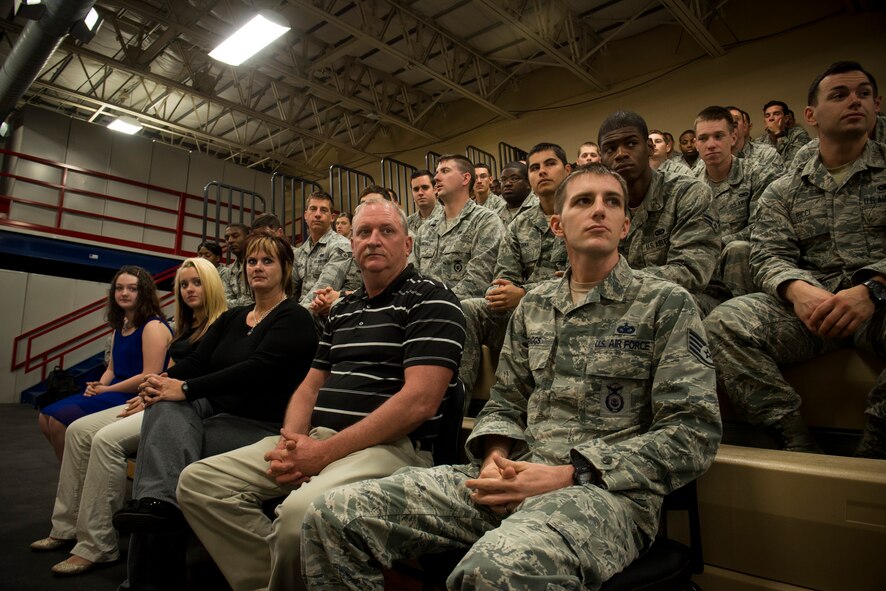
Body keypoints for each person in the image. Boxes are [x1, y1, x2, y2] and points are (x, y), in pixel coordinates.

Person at [301, 164, 722, 591]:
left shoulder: (665, 304)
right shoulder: (534, 306)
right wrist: (494, 457)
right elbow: (505, 402)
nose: (599, 211)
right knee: (332, 515)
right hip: (512, 476)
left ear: (626, 224)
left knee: (493, 572)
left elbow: (692, 434)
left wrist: (567, 474)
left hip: (603, 496)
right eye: (583, 201)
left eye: (611, 202)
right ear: (557, 225)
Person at [175, 198, 466, 591]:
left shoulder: (432, 298)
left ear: (408, 244)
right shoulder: (343, 309)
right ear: (353, 245)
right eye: (363, 232)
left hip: (391, 447)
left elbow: (419, 401)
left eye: (387, 231)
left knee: (299, 517)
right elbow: (311, 384)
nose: (373, 240)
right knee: (198, 483)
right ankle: (276, 581)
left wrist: (324, 454)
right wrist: (291, 440)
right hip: (317, 439)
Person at [112, 234, 318, 590]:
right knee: (163, 411)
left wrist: (187, 388)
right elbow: (197, 360)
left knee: (167, 454)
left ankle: (146, 579)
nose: (257, 267)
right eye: (252, 261)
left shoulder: (295, 317)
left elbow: (258, 367)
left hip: (261, 426)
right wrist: (160, 382)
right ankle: (157, 507)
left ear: (286, 268)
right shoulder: (235, 317)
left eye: (267, 261)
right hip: (216, 417)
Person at [704, 60, 886, 456]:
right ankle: (792, 437)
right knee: (723, 324)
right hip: (813, 306)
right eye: (839, 95)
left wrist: (874, 289)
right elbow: (769, 252)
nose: (854, 101)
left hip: (879, 304)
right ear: (811, 115)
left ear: (877, 105)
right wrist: (796, 289)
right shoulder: (784, 189)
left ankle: (876, 447)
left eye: (864, 94)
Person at [29, 258, 227, 576]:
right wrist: (148, 393)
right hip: (162, 398)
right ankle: (65, 527)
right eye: (184, 284)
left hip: (190, 407)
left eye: (197, 282)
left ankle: (97, 545)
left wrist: (154, 394)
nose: (190, 289)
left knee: (104, 440)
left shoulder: (224, 323)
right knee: (78, 431)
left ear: (212, 284)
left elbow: (203, 379)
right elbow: (169, 373)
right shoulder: (184, 326)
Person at [459, 148, 569, 397]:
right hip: (520, 312)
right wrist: (504, 291)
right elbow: (504, 274)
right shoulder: (519, 224)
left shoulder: (581, 215)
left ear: (567, 170)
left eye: (550, 164)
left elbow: (575, 279)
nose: (542, 171)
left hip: (565, 309)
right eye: (534, 168)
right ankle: (457, 405)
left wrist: (524, 293)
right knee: (468, 309)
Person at [38, 266, 172, 461]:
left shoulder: (154, 326)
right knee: (44, 418)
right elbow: (111, 368)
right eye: (119, 288)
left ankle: (77, 480)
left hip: (134, 396)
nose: (124, 293)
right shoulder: (121, 328)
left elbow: (149, 374)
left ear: (144, 293)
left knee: (59, 421)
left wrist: (107, 390)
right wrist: (98, 386)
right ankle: (73, 475)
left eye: (132, 288)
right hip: (113, 391)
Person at [599, 111, 723, 314]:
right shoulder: (601, 208)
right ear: (602, 158)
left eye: (630, 144)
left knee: (661, 307)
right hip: (621, 299)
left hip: (693, 299)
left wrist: (612, 281)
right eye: (610, 149)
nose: (620, 154)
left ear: (649, 147)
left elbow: (691, 271)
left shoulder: (687, 192)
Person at [694, 106, 780, 296]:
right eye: (703, 138)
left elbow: (762, 228)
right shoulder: (690, 186)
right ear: (696, 144)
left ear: (733, 138)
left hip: (747, 264)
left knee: (738, 249)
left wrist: (720, 244)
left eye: (718, 136)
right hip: (704, 266)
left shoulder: (757, 174)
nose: (711, 144)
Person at [411, 154, 506, 299]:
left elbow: (478, 282)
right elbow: (414, 278)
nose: (436, 178)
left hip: (461, 310)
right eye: (437, 172)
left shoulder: (486, 221)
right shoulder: (425, 230)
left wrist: (434, 304)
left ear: (465, 178)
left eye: (445, 171)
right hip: (424, 312)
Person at [724, 106, 785, 174]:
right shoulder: (715, 157)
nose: (732, 124)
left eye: (736, 120)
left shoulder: (766, 153)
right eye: (728, 121)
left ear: (744, 125)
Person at [755, 99, 812, 164]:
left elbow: (796, 162)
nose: (771, 118)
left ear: (786, 118)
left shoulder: (798, 134)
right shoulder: (759, 142)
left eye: (776, 114)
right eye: (767, 116)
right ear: (764, 121)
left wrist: (778, 134)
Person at [220, 223, 254, 308]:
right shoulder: (228, 271)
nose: (230, 241)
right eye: (226, 238)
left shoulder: (259, 266)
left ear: (248, 237)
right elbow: (225, 302)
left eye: (235, 236)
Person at [406, 169, 442, 234]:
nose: (420, 193)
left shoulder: (447, 216)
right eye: (416, 189)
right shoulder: (407, 223)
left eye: (425, 187)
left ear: (435, 189)